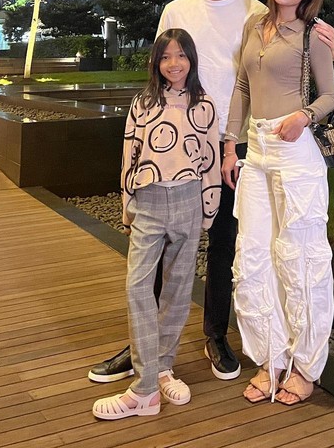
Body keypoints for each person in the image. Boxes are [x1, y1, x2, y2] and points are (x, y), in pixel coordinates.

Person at [88, 0, 334, 385]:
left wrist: (331, 44)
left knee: (227, 242)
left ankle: (216, 335)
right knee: (161, 246)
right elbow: (163, 67)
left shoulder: (256, 11)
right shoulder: (177, 10)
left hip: (240, 142)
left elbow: (296, 48)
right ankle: (144, 346)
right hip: (181, 143)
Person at [221, 0, 334, 406]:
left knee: (301, 257)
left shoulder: (314, 34)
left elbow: (329, 96)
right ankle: (270, 358)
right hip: (256, 151)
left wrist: (303, 117)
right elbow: (242, 87)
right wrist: (230, 145)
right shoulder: (255, 25)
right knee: (254, 256)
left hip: (296, 151)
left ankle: (305, 366)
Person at [92, 29, 221, 420]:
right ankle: (145, 386)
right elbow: (129, 155)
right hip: (149, 201)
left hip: (188, 199)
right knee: (138, 286)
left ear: (191, 59)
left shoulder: (204, 104)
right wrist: (128, 206)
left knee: (179, 290)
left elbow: (210, 161)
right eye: (165, 57)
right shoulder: (143, 103)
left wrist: (208, 209)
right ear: (156, 62)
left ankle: (163, 368)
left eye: (181, 55)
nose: (173, 64)